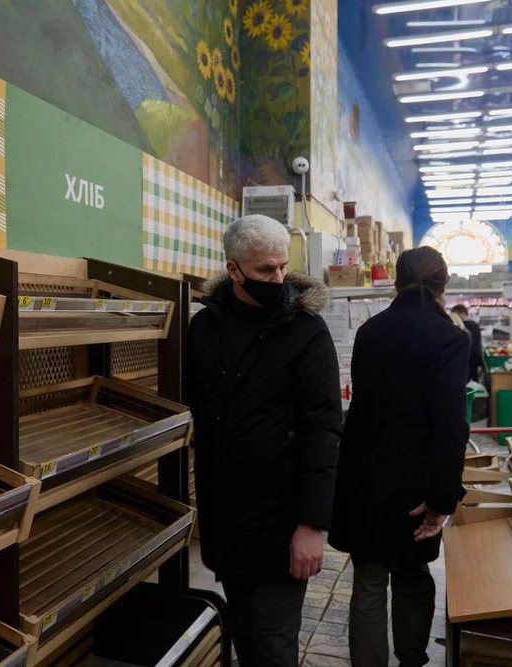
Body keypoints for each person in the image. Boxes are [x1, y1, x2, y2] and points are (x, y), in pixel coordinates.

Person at [185, 214, 342, 666]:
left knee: (274, 646)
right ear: (234, 270)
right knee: (246, 637)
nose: (277, 279)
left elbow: (324, 429)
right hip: (228, 521)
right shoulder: (205, 330)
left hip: (284, 521)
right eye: (264, 271)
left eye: (281, 266)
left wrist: (313, 525)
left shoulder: (306, 331)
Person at [330, 247, 469, 667]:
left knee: (369, 580)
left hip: (366, 477)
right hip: (417, 484)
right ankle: (411, 659)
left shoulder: (371, 331)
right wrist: (443, 499)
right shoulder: (451, 338)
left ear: (396, 281)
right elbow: (449, 425)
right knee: (412, 577)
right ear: (444, 286)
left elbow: (365, 405)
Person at [451, 304, 483, 382]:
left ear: (462, 314)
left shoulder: (465, 325)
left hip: (468, 360)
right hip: (475, 359)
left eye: (455, 315)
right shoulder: (474, 324)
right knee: (474, 382)